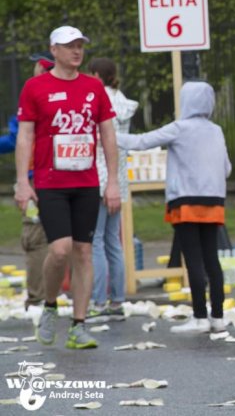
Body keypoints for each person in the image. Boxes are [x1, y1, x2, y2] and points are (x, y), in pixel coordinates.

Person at [14, 26, 121, 350]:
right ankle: (49, 306)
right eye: (69, 46)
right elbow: (25, 136)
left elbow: (108, 135)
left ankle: (79, 324)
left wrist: (113, 181)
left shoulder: (94, 88)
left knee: (84, 251)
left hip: (86, 182)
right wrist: (22, 181)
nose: (76, 51)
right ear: (54, 50)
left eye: (80, 46)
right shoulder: (35, 87)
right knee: (59, 250)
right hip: (50, 183)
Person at [116, 81, 230, 334]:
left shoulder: (180, 128)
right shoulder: (216, 131)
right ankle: (218, 317)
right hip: (214, 201)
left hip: (186, 201)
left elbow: (142, 141)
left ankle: (200, 316)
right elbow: (227, 168)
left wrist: (107, 134)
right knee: (212, 259)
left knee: (193, 260)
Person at [0, 52, 55, 309]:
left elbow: (16, 138)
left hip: (35, 181)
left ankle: (37, 297)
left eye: (36, 65)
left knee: (34, 237)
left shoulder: (34, 99)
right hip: (63, 178)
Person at [85, 57, 138, 322]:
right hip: (119, 178)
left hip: (98, 176)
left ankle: (98, 302)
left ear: (96, 74)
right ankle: (118, 302)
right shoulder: (123, 100)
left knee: (95, 242)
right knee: (113, 243)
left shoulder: (95, 98)